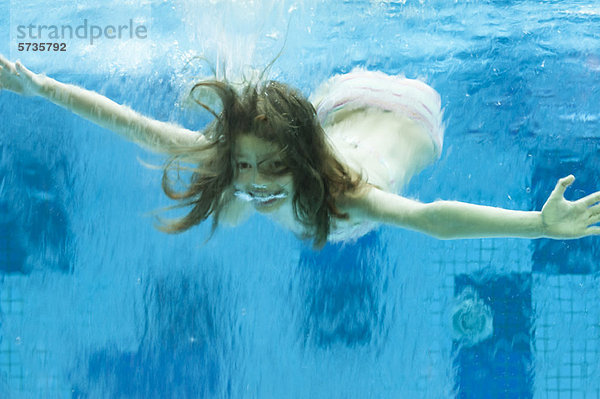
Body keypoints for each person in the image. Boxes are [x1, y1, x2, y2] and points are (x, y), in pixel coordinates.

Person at [1, 54, 599, 248]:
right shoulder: (255, 162)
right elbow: (137, 126)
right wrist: (41, 86)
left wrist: (538, 227)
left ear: (303, 162)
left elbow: (429, 218)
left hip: (411, 110)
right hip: (337, 102)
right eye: (245, 165)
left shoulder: (346, 194)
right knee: (228, 192)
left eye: (270, 167)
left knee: (233, 202)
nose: (257, 178)